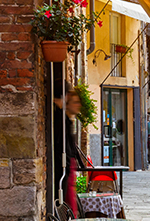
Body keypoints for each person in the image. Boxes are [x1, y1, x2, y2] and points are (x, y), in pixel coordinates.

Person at [52, 87, 87, 215]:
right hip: (64, 166)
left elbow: (73, 146)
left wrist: (81, 164)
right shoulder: (61, 119)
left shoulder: (67, 121)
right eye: (75, 102)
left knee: (70, 201)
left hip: (68, 165)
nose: (78, 105)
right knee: (66, 202)